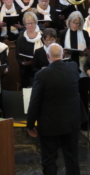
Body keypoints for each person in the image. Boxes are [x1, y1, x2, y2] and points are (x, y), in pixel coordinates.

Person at [27, 43, 82, 175]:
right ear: (63, 54)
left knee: (49, 159)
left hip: (49, 123)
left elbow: (34, 102)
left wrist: (30, 125)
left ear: (47, 56)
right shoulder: (73, 67)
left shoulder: (42, 75)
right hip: (71, 121)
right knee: (72, 157)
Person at [60, 11, 90, 131]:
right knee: (69, 96)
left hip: (82, 67)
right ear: (69, 22)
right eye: (73, 23)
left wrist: (85, 52)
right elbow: (61, 49)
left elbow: (88, 50)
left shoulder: (84, 33)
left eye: (77, 23)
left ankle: (84, 123)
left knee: (83, 95)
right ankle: (70, 122)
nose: (75, 25)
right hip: (69, 67)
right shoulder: (63, 34)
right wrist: (64, 51)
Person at [16, 11, 43, 88]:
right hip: (26, 71)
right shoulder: (21, 38)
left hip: (40, 70)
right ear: (24, 24)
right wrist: (23, 63)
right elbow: (17, 55)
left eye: (32, 23)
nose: (30, 25)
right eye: (28, 23)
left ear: (36, 23)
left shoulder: (42, 36)